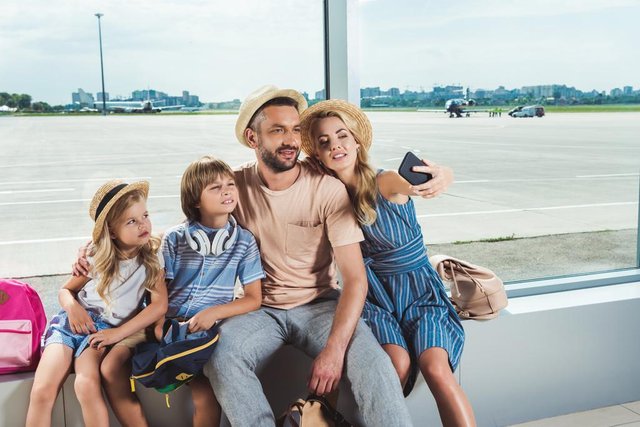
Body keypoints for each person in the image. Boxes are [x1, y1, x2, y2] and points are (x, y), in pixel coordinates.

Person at [201, 85, 414, 426]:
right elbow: (189, 231)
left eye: (296, 129)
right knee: (221, 357)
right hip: (259, 309)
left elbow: (355, 279)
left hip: (320, 305)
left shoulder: (326, 188)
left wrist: (333, 351)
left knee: (375, 365)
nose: (290, 140)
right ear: (253, 139)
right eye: (277, 130)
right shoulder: (233, 186)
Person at [299, 99, 477, 427]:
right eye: (324, 142)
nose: (335, 145)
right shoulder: (327, 195)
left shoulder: (384, 182)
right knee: (394, 365)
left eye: (342, 136)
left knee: (437, 369)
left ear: (356, 141)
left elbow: (420, 179)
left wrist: (442, 174)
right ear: (317, 155)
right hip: (374, 298)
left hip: (419, 291)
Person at [27, 180, 168, 427]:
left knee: (85, 384)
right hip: (69, 324)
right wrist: (72, 308)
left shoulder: (152, 258)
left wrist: (117, 334)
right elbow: (65, 291)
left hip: (101, 332)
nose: (143, 224)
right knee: (41, 389)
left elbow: (159, 305)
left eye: (144, 215)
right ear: (112, 231)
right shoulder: (95, 255)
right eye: (131, 221)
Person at [160, 155, 265, 427]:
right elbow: (157, 293)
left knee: (207, 395)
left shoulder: (243, 241)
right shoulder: (175, 239)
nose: (227, 191)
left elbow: (254, 298)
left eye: (230, 184)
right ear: (196, 199)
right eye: (215, 188)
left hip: (207, 331)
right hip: (168, 328)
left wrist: (213, 312)